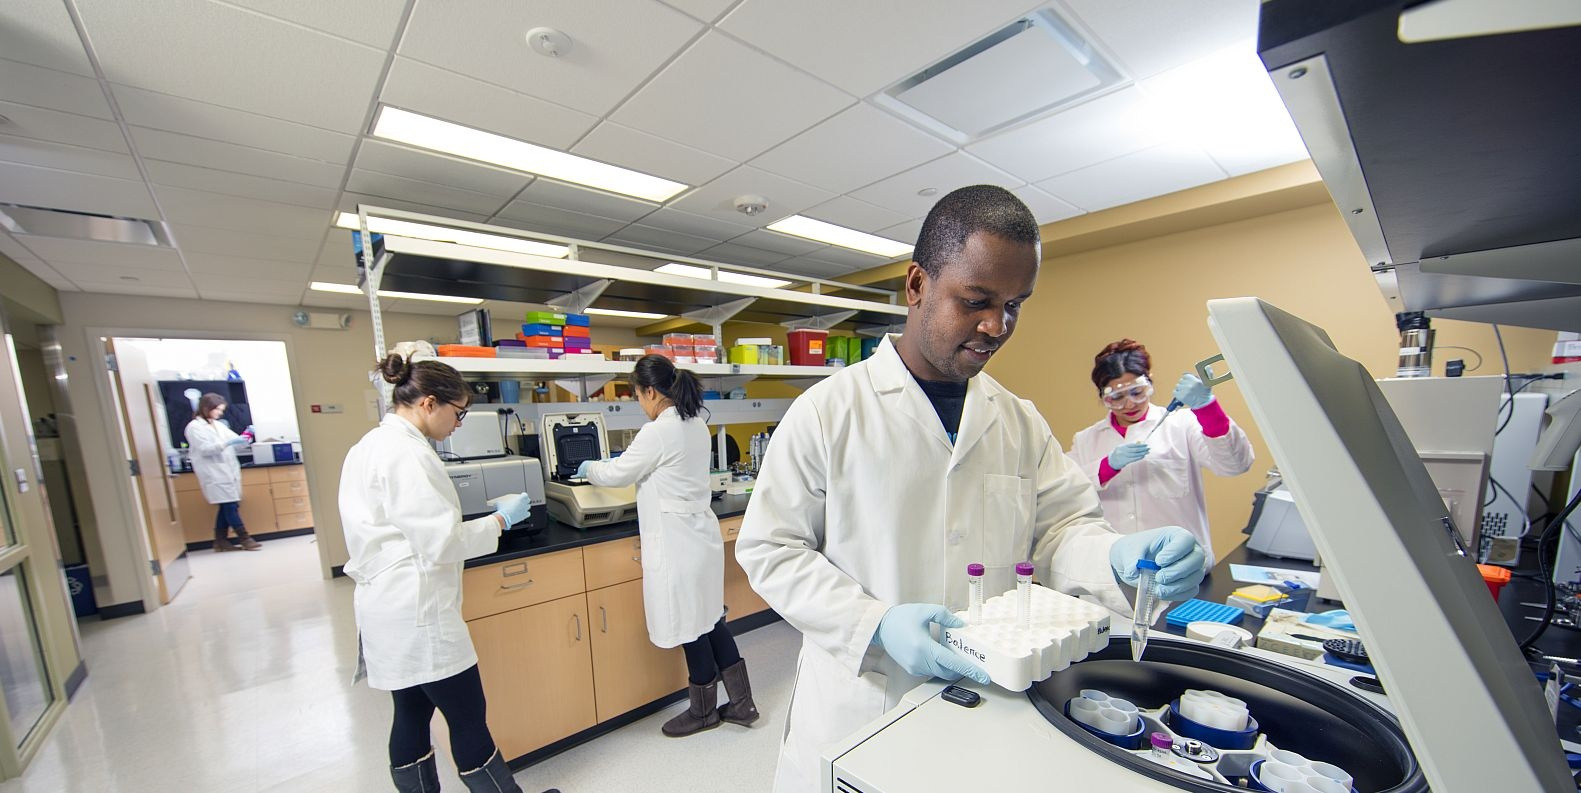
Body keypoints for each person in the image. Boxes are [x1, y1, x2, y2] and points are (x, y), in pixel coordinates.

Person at [736, 185, 1209, 792]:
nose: (997, 325)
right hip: (865, 698)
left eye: (1016, 304)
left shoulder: (1018, 420)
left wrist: (1118, 557)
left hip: (992, 700)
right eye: (977, 300)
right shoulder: (829, 411)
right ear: (916, 286)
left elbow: (1061, 532)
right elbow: (771, 550)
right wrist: (876, 622)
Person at [339, 354, 554, 793]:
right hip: (419, 611)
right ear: (429, 403)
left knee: (411, 713)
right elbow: (442, 543)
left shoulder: (368, 446)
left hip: (386, 606)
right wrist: (500, 521)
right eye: (459, 413)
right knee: (467, 716)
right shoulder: (408, 455)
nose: (459, 423)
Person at [576, 354, 758, 737]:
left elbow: (617, 473)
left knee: (691, 626)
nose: (639, 404)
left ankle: (704, 712)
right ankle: (742, 704)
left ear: (651, 392)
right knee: (708, 619)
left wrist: (590, 468)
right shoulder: (695, 423)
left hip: (676, 546)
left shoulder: (658, 431)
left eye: (637, 396)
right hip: (699, 539)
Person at [1066, 340, 1255, 567]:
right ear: (1103, 397)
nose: (1130, 404)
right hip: (1114, 571)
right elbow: (1068, 490)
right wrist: (1108, 466)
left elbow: (1234, 465)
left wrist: (1207, 407)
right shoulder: (1087, 439)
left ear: (1149, 384)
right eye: (1117, 398)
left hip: (1181, 566)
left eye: (1137, 392)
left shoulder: (1182, 424)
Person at [183, 392, 260, 552]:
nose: (220, 413)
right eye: (217, 409)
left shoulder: (218, 425)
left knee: (227, 506)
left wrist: (245, 437)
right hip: (214, 473)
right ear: (206, 408)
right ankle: (245, 538)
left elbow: (236, 442)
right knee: (230, 506)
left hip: (228, 471)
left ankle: (220, 541)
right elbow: (205, 449)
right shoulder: (194, 427)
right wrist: (227, 443)